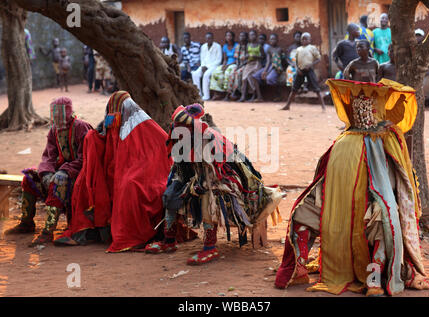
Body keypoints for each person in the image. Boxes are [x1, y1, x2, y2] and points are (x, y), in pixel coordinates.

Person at [275, 79, 429, 296]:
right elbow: (323, 181)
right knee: (302, 212)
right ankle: (299, 266)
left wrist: (383, 202)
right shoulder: (348, 140)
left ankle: (374, 279)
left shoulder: (377, 139)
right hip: (342, 211)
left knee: (383, 220)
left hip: (367, 207)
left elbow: (396, 181)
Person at [145, 104, 283, 264]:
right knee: (170, 194)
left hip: (225, 179)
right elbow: (180, 168)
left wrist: (197, 186)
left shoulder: (207, 140)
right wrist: (179, 183)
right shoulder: (180, 138)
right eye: (177, 127)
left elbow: (217, 173)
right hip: (197, 176)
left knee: (208, 197)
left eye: (183, 127)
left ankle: (210, 247)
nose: (178, 130)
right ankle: (169, 241)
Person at [53, 91, 172, 251]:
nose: (113, 115)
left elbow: (157, 153)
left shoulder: (145, 125)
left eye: (116, 110)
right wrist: (92, 138)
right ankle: (89, 233)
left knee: (129, 186)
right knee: (84, 183)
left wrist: (131, 171)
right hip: (116, 171)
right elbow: (105, 146)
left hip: (147, 174)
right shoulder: (111, 127)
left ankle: (130, 236)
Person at [4, 97, 92, 245]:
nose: (56, 117)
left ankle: (48, 231)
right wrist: (46, 173)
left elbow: (86, 158)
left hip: (79, 175)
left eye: (60, 113)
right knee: (30, 178)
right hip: (59, 172)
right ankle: (27, 223)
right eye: (54, 113)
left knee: (58, 182)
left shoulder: (81, 127)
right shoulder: (54, 130)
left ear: (68, 112)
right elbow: (49, 156)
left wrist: (64, 171)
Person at [281, 32, 325, 111]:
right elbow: (296, 60)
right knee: (294, 89)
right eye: (302, 39)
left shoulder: (312, 48)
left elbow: (318, 59)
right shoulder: (298, 49)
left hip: (309, 70)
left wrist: (311, 65)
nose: (304, 40)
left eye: (306, 39)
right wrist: (297, 68)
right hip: (300, 71)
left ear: (310, 40)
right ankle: (287, 105)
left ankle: (323, 106)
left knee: (316, 89)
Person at [251, 33, 285, 102]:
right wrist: (264, 71)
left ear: (277, 40)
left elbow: (276, 63)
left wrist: (268, 72)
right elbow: (268, 61)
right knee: (254, 77)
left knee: (269, 78)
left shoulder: (279, 49)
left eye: (274, 39)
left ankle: (278, 94)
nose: (272, 40)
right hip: (270, 66)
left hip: (277, 67)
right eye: (271, 39)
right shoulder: (269, 49)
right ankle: (259, 96)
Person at [192, 32, 223, 101]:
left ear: (212, 38)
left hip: (214, 66)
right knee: (195, 74)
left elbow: (219, 60)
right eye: (207, 38)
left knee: (206, 75)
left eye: (210, 38)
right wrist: (203, 66)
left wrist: (207, 67)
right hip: (204, 66)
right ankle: (198, 94)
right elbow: (202, 58)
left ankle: (206, 96)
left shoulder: (217, 46)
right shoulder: (203, 46)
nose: (208, 39)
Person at [210, 31, 239, 100]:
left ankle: (227, 94)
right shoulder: (225, 47)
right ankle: (217, 93)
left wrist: (228, 65)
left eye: (230, 36)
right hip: (227, 64)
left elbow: (237, 59)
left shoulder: (237, 46)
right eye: (227, 36)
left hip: (234, 64)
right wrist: (223, 65)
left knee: (227, 73)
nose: (228, 37)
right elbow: (225, 59)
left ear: (233, 37)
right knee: (215, 72)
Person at [238, 30, 266, 102]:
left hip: (257, 63)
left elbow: (263, 56)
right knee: (244, 78)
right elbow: (246, 55)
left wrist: (256, 56)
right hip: (249, 63)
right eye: (250, 35)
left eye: (253, 35)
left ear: (256, 36)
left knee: (251, 77)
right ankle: (243, 96)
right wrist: (247, 56)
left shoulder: (259, 46)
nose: (252, 36)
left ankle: (255, 95)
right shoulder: (248, 45)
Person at [224, 31, 249, 101]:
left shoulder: (248, 46)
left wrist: (240, 66)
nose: (241, 38)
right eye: (240, 36)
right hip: (239, 64)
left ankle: (236, 92)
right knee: (231, 73)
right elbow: (237, 58)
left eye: (243, 36)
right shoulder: (238, 46)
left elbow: (248, 59)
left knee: (238, 73)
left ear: (246, 38)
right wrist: (238, 65)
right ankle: (229, 93)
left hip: (246, 65)